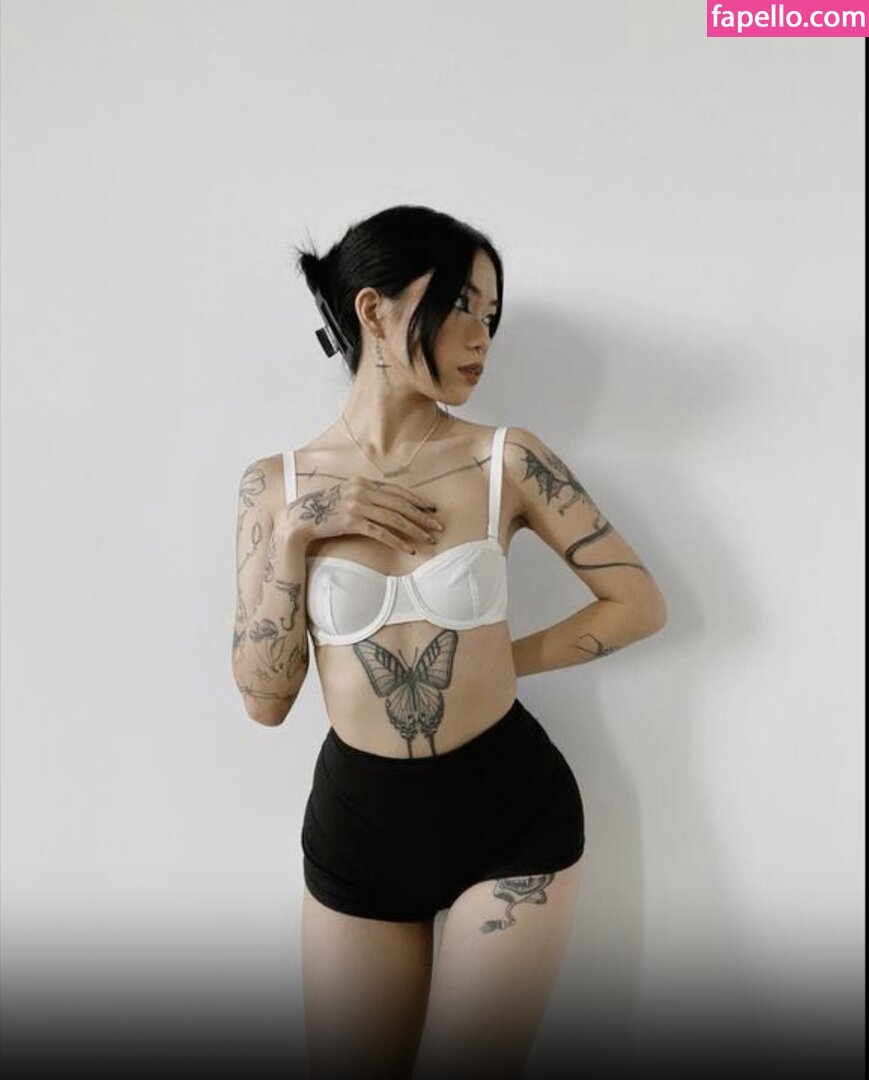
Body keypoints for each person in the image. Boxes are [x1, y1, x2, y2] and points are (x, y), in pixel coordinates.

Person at [231, 205, 668, 1080]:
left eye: (491, 316)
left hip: (508, 813)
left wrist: (499, 661)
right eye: (462, 305)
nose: (481, 337)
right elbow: (264, 700)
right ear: (373, 309)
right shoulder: (274, 488)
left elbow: (635, 602)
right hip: (358, 828)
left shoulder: (507, 459)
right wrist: (295, 536)